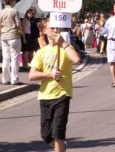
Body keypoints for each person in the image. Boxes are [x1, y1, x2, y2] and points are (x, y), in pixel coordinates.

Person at [29, 18, 81, 152]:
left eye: (57, 28)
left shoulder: (65, 48)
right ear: (45, 31)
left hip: (62, 94)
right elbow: (32, 75)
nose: (55, 30)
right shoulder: (41, 52)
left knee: (58, 133)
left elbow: (76, 59)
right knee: (46, 135)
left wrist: (63, 43)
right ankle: (62, 147)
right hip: (45, 96)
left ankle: (59, 146)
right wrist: (50, 75)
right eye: (51, 28)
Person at [0, 0, 22, 85]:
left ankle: (5, 79)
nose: (15, 2)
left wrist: (0, 34)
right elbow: (18, 24)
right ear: (11, 1)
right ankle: (14, 79)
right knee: (15, 58)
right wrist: (18, 28)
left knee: (5, 58)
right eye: (14, 0)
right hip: (13, 36)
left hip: (4, 36)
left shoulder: (1, 12)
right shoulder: (14, 11)